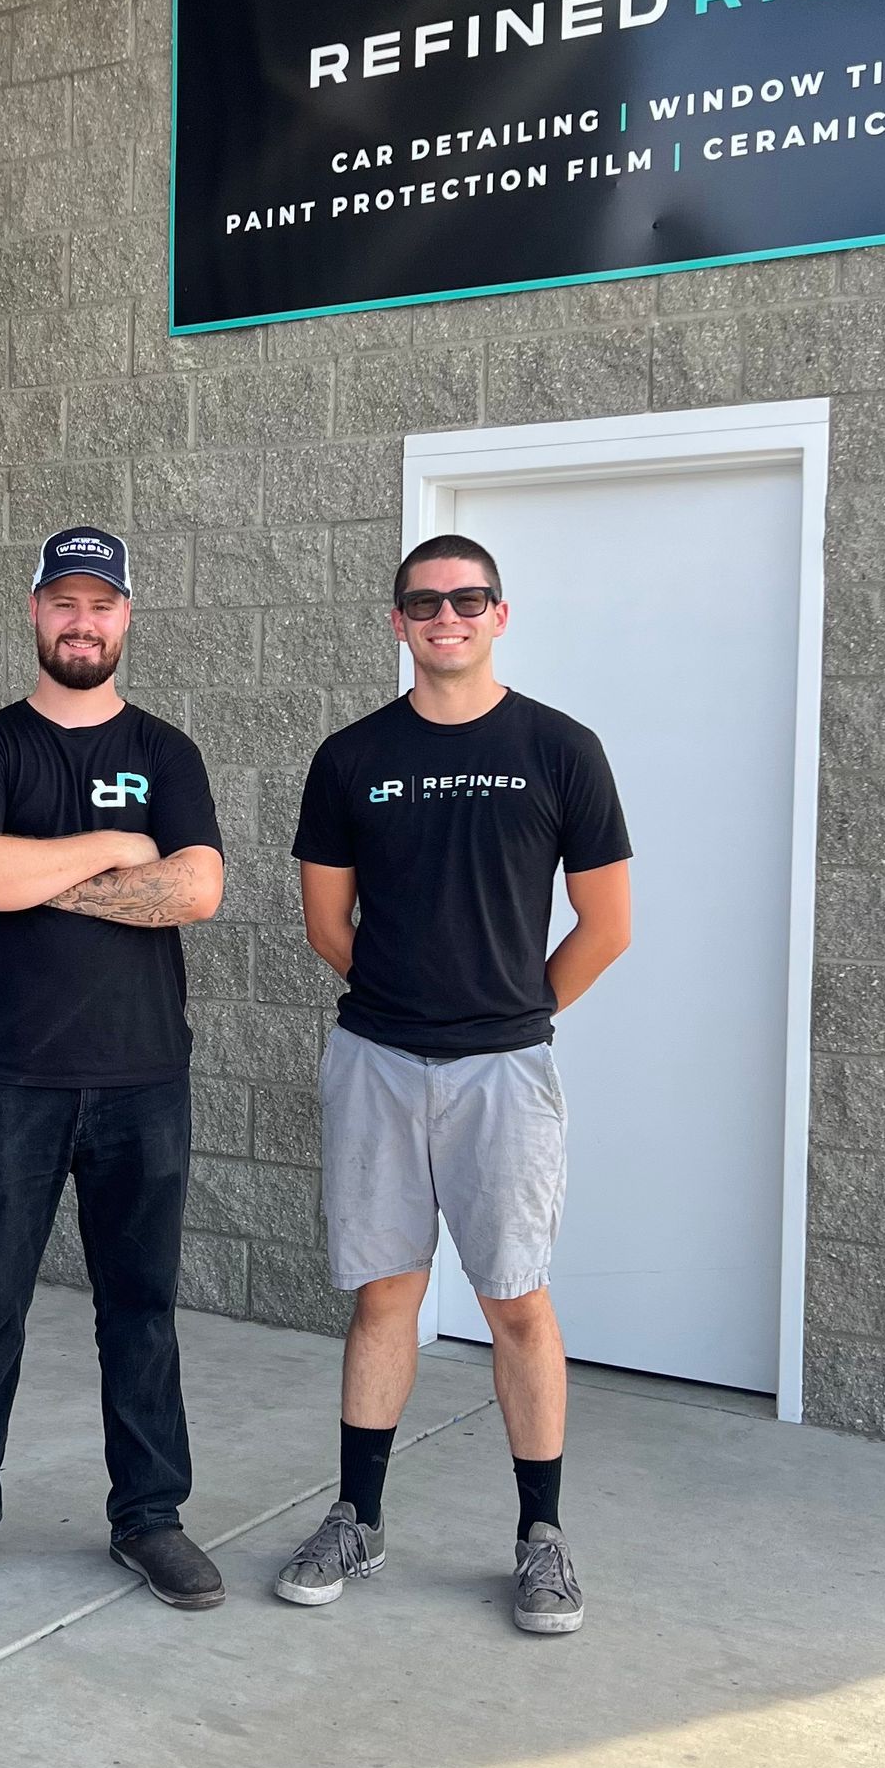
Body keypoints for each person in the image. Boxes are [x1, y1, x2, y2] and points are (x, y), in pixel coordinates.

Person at [272, 533, 632, 1635]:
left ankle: (542, 1539)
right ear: (398, 622)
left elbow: (607, 926)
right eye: (425, 601)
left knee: (515, 1299)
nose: (448, 615)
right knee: (385, 1292)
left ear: (499, 614)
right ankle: (358, 1517)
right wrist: (411, 1000)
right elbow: (327, 923)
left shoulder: (560, 749)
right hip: (377, 1063)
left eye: (469, 598)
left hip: (505, 1076)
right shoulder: (349, 757)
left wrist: (507, 1017)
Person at [0, 525, 229, 1613]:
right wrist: (116, 850)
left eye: (102, 604)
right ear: (35, 611)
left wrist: (37, 875)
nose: (84, 621)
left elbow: (197, 890)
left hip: (140, 1078)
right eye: (65, 603)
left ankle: (150, 1518)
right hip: (4, 1078)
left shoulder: (168, 752)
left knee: (143, 1311)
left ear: (128, 617)